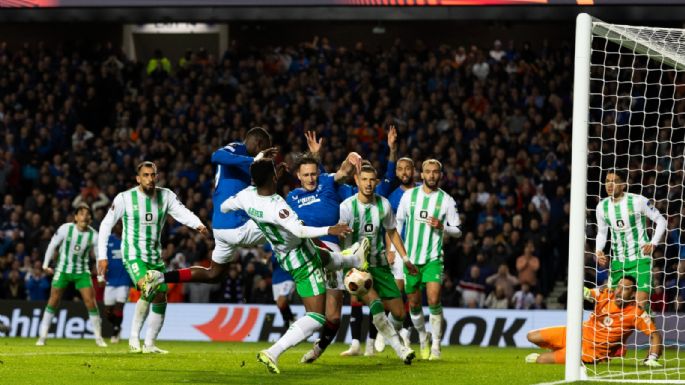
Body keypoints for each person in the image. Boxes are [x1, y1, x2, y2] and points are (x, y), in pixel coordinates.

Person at [220, 158, 368, 374]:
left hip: (289, 252)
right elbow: (299, 231)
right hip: (301, 259)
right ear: (273, 177)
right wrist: (330, 230)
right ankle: (273, 351)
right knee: (317, 317)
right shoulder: (278, 205)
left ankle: (353, 260)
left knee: (324, 257)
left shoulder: (246, 196)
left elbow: (224, 207)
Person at [302, 164, 417, 364]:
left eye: (372, 180)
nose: (368, 184)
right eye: (364, 179)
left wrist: (405, 259)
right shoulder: (347, 206)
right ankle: (401, 350)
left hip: (379, 265)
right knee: (374, 303)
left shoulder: (384, 205)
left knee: (398, 313)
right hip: (355, 267)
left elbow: (392, 232)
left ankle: (384, 332)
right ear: (357, 181)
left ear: (377, 182)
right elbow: (339, 233)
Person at [98, 161, 208, 354]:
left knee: (160, 296)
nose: (150, 178)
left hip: (154, 257)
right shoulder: (125, 198)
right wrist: (101, 256)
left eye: (153, 175)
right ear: (138, 178)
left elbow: (181, 212)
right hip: (133, 254)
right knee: (147, 285)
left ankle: (150, 344)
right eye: (146, 175)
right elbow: (106, 224)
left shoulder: (166, 196)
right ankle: (133, 337)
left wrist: (197, 224)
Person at [157, 127, 274, 286]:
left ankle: (161, 278)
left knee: (214, 274)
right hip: (237, 224)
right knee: (287, 223)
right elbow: (216, 156)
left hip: (222, 227)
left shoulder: (250, 166)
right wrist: (252, 160)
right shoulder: (238, 148)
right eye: (264, 149)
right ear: (259, 143)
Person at [286, 130, 364, 359]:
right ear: (299, 177)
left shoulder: (327, 182)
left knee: (334, 317)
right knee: (315, 314)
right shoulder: (292, 197)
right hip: (307, 254)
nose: (311, 178)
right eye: (306, 175)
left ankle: (318, 349)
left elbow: (343, 172)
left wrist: (351, 156)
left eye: (313, 174)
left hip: (332, 251)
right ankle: (284, 344)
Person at [396, 159, 462, 360]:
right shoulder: (409, 196)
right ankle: (423, 337)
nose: (432, 175)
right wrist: (397, 252)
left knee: (433, 299)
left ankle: (436, 345)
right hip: (411, 260)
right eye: (428, 172)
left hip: (433, 258)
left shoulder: (447, 200)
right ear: (421, 174)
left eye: (435, 172)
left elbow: (458, 231)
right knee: (414, 304)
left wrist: (443, 227)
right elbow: (398, 224)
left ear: (440, 175)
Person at [526, 275, 662, 367]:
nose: (619, 291)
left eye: (625, 289)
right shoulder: (605, 295)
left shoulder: (636, 313)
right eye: (618, 287)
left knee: (541, 360)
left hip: (592, 351)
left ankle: (558, 354)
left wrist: (652, 357)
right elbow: (586, 292)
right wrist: (582, 290)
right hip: (579, 333)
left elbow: (655, 335)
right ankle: (561, 350)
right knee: (531, 336)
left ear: (633, 294)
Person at [36, 204, 107, 347]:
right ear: (75, 217)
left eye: (87, 214)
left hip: (81, 272)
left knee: (90, 302)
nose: (84, 216)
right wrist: (45, 264)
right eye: (81, 214)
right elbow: (52, 245)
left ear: (91, 219)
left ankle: (99, 338)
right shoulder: (65, 229)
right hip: (62, 270)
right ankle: (42, 337)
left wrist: (100, 276)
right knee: (53, 300)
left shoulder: (94, 235)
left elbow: (100, 257)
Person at [595, 171, 667, 309]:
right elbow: (602, 233)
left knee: (640, 303)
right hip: (618, 261)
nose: (610, 185)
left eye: (615, 181)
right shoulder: (601, 207)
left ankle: (649, 324)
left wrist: (653, 243)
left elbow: (661, 221)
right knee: (612, 307)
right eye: (607, 180)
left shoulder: (638, 201)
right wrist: (598, 251)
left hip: (640, 259)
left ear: (623, 185)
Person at [103, 222, 130, 344]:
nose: (120, 228)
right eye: (118, 226)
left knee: (119, 307)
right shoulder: (108, 240)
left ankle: (116, 330)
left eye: (122, 226)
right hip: (110, 280)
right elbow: (102, 257)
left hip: (124, 279)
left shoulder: (129, 240)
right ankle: (117, 326)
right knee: (108, 312)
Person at [269, 245, 296, 328]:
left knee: (281, 302)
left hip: (288, 278)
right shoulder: (272, 248)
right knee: (280, 305)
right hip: (276, 280)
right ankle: (291, 321)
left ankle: (289, 322)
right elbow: (270, 265)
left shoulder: (290, 246)